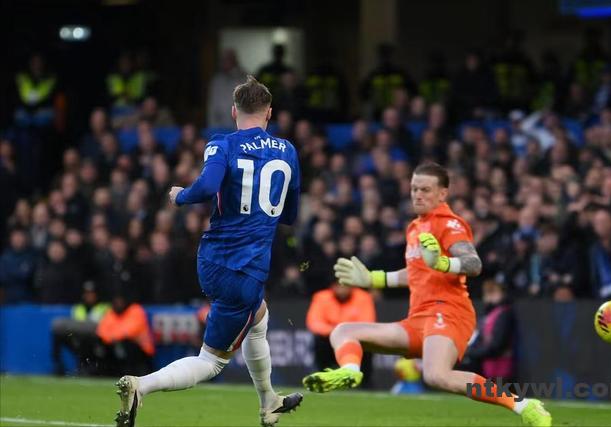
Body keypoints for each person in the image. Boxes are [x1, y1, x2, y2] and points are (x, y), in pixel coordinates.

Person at [115, 76, 302, 427]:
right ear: (269, 113)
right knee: (212, 361)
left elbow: (208, 187)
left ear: (233, 112)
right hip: (245, 269)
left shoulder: (222, 144)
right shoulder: (288, 151)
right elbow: (290, 215)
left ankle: (269, 402)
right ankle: (142, 386)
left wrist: (180, 196)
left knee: (259, 316)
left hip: (213, 258)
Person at [302, 163, 551, 427]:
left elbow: (473, 263)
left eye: (425, 190)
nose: (418, 195)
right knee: (344, 331)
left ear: (442, 193)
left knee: (436, 375)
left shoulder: (449, 223)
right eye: (414, 189)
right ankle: (350, 372)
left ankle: (523, 405)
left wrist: (443, 263)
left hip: (448, 311)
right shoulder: (415, 227)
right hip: (418, 319)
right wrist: (373, 278)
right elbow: (415, 273)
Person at [306, 282, 376, 385]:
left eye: (345, 285)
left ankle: (365, 383)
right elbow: (314, 323)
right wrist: (337, 332)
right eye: (338, 285)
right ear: (332, 286)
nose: (342, 289)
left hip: (355, 341)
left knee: (368, 343)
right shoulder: (321, 297)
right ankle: (321, 380)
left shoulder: (363, 297)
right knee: (319, 341)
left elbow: (367, 323)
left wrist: (346, 333)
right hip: (329, 341)